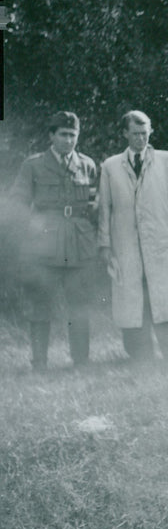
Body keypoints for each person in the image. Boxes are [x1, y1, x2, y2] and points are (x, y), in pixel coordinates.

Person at [97, 110, 168, 362]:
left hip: (158, 244)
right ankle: (139, 356)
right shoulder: (111, 166)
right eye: (135, 133)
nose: (141, 138)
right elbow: (105, 209)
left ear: (151, 132)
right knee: (130, 300)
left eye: (145, 133)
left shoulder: (166, 160)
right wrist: (105, 244)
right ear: (125, 133)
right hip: (125, 245)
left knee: (161, 299)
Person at [8, 111, 98, 371]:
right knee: (40, 304)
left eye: (73, 135)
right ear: (51, 135)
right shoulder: (33, 165)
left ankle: (81, 361)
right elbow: (18, 203)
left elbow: (94, 206)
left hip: (78, 243)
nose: (69, 140)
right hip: (44, 243)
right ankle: (39, 363)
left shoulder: (87, 164)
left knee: (79, 304)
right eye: (63, 134)